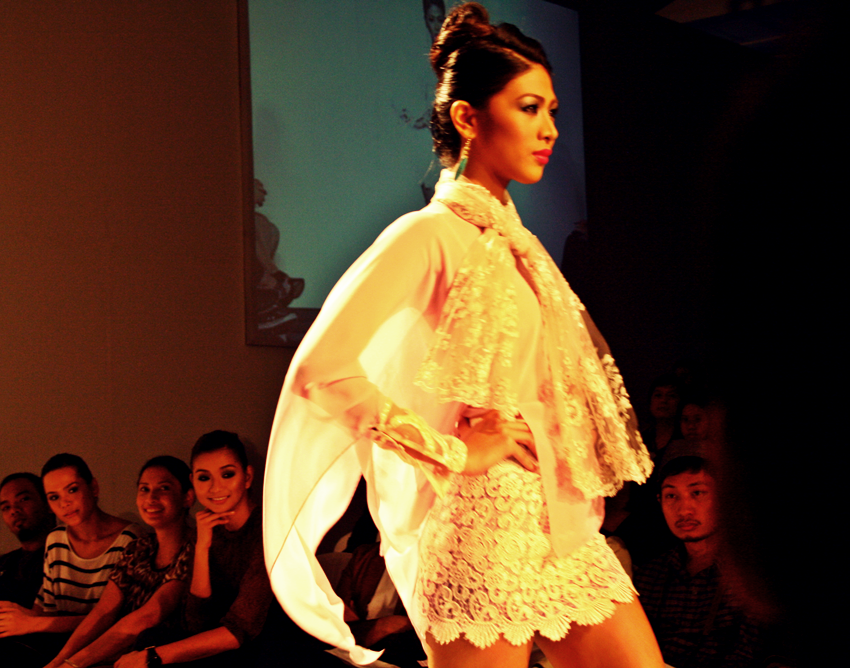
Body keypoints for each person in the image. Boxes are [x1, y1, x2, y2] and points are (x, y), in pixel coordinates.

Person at [262, 4, 662, 667]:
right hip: (483, 525)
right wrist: (450, 451)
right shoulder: (428, 234)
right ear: (468, 118)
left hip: (558, 522)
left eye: (553, 111)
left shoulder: (519, 245)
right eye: (529, 108)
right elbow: (321, 370)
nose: (549, 129)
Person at [115, 431, 272, 667]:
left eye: (227, 474)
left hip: (262, 646)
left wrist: (153, 657)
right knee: (150, 638)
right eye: (204, 478)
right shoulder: (205, 529)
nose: (215, 488)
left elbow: (241, 629)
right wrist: (201, 548)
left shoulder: (268, 530)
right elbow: (196, 621)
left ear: (247, 477)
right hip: (219, 641)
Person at [0, 454, 140, 667]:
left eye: (72, 490)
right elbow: (45, 611)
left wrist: (31, 623)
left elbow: (117, 620)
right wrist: (9, 617)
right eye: (54, 497)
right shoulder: (56, 540)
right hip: (60, 651)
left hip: (110, 656)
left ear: (93, 487)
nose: (65, 503)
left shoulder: (130, 540)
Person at [40, 456, 195, 668]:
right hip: (119, 658)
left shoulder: (195, 547)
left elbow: (147, 617)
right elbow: (104, 611)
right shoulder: (139, 548)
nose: (151, 498)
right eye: (144, 489)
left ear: (188, 497)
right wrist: (60, 661)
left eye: (164, 488)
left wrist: (73, 664)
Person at [633, 446, 761, 668]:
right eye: (671, 496)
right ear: (659, 501)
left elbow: (751, 654)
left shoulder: (750, 574)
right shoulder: (651, 575)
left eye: (698, 493)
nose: (684, 510)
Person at [0, 473, 56, 609]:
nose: (14, 510)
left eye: (23, 499)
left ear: (48, 503)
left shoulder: (67, 556)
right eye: (6, 507)